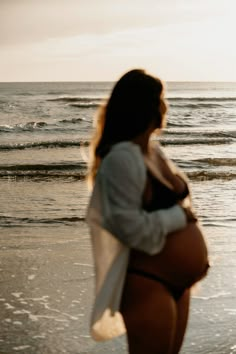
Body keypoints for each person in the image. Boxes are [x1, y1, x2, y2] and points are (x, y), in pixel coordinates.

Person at [86, 69, 209, 354]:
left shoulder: (151, 151)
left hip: (177, 283)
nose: (165, 106)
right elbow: (130, 228)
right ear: (144, 106)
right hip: (148, 282)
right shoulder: (121, 158)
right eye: (160, 99)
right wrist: (180, 218)